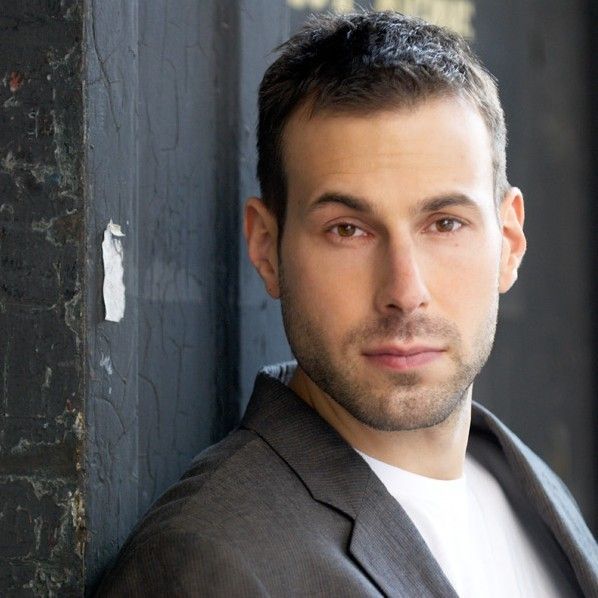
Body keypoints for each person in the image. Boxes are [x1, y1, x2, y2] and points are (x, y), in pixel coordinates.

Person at [97, 11, 597, 597]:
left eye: (444, 223)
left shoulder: (526, 489)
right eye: (347, 230)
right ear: (267, 248)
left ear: (509, 242)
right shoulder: (205, 564)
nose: (404, 292)